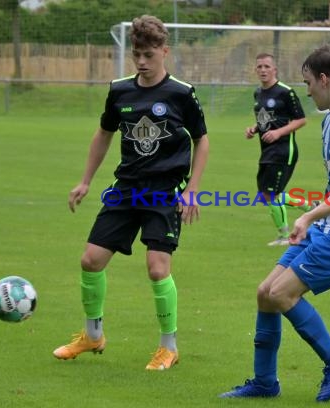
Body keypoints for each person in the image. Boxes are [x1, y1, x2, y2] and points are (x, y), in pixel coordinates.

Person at [220, 45, 330, 402]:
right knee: (266, 293)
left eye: (309, 82)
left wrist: (308, 215)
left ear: (324, 80)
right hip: (329, 228)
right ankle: (265, 383)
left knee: (282, 294)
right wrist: (313, 218)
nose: (307, 90)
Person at [52, 15, 209, 370]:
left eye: (149, 54)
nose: (141, 61)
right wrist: (85, 180)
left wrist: (193, 190)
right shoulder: (119, 90)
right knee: (90, 260)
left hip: (165, 191)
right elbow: (104, 133)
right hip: (125, 189)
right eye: (137, 54)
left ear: (164, 51)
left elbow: (202, 140)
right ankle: (93, 335)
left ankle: (169, 346)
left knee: (157, 268)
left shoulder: (181, 94)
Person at [245, 53, 308, 246]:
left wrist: (279, 133)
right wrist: (254, 129)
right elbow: (265, 119)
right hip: (267, 150)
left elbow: (301, 120)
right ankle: (310, 206)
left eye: (266, 66)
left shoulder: (285, 92)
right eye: (259, 67)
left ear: (274, 70)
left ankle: (284, 236)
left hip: (283, 150)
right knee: (267, 195)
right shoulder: (258, 93)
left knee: (271, 194)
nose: (263, 70)